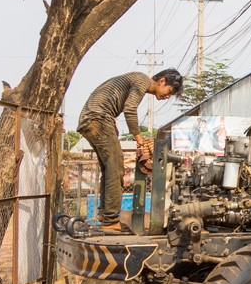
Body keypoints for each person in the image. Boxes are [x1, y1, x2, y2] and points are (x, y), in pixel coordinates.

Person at [77, 69, 183, 232]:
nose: (168, 96)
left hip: (92, 119)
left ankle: (105, 216)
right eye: (170, 91)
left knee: (109, 169)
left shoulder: (136, 79)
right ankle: (110, 221)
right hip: (98, 118)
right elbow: (130, 109)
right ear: (162, 81)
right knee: (116, 168)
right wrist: (139, 138)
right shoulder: (142, 81)